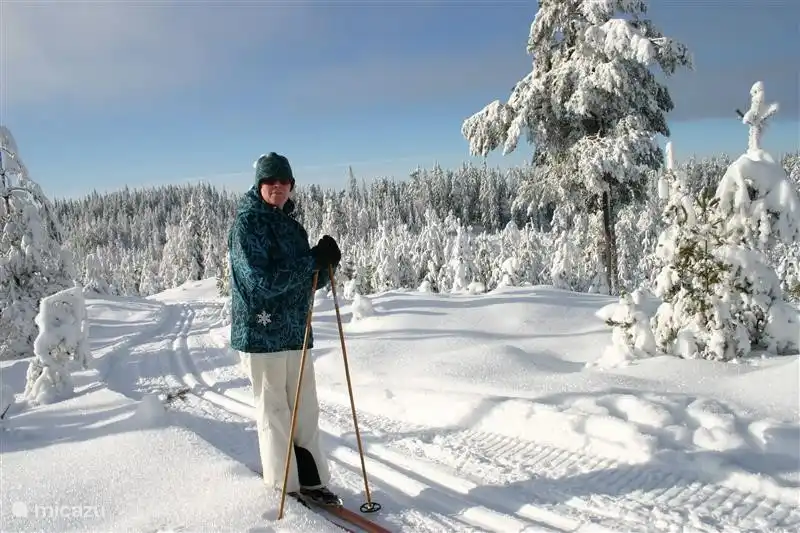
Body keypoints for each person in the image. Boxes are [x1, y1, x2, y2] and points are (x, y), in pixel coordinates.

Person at [228, 152, 342, 506]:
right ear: (259, 185)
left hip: (296, 331)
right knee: (274, 411)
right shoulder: (247, 226)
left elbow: (302, 281)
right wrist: (310, 261)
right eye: (270, 181)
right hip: (262, 338)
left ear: (291, 185)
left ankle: (311, 480)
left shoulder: (292, 227)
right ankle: (284, 486)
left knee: (305, 410)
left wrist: (325, 267)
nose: (277, 187)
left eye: (283, 181)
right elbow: (260, 283)